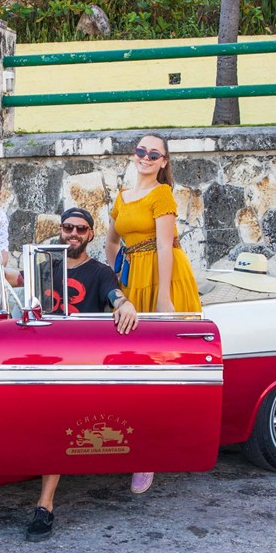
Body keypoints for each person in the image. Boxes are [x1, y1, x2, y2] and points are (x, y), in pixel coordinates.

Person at [25, 207, 139, 543]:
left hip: (77, 362)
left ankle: (45, 505)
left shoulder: (100, 272)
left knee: (56, 423)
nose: (73, 233)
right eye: (68, 227)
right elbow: (15, 281)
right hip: (41, 356)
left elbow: (115, 295)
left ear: (91, 234)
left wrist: (125, 305)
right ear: (60, 230)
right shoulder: (45, 267)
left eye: (81, 229)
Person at [104, 134, 201, 495]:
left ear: (163, 161)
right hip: (133, 279)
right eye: (141, 151)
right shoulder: (122, 197)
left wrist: (163, 298)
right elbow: (112, 240)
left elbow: (164, 245)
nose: (145, 157)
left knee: (161, 367)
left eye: (153, 153)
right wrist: (114, 277)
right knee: (131, 366)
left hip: (164, 278)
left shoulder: (162, 194)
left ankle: (149, 454)